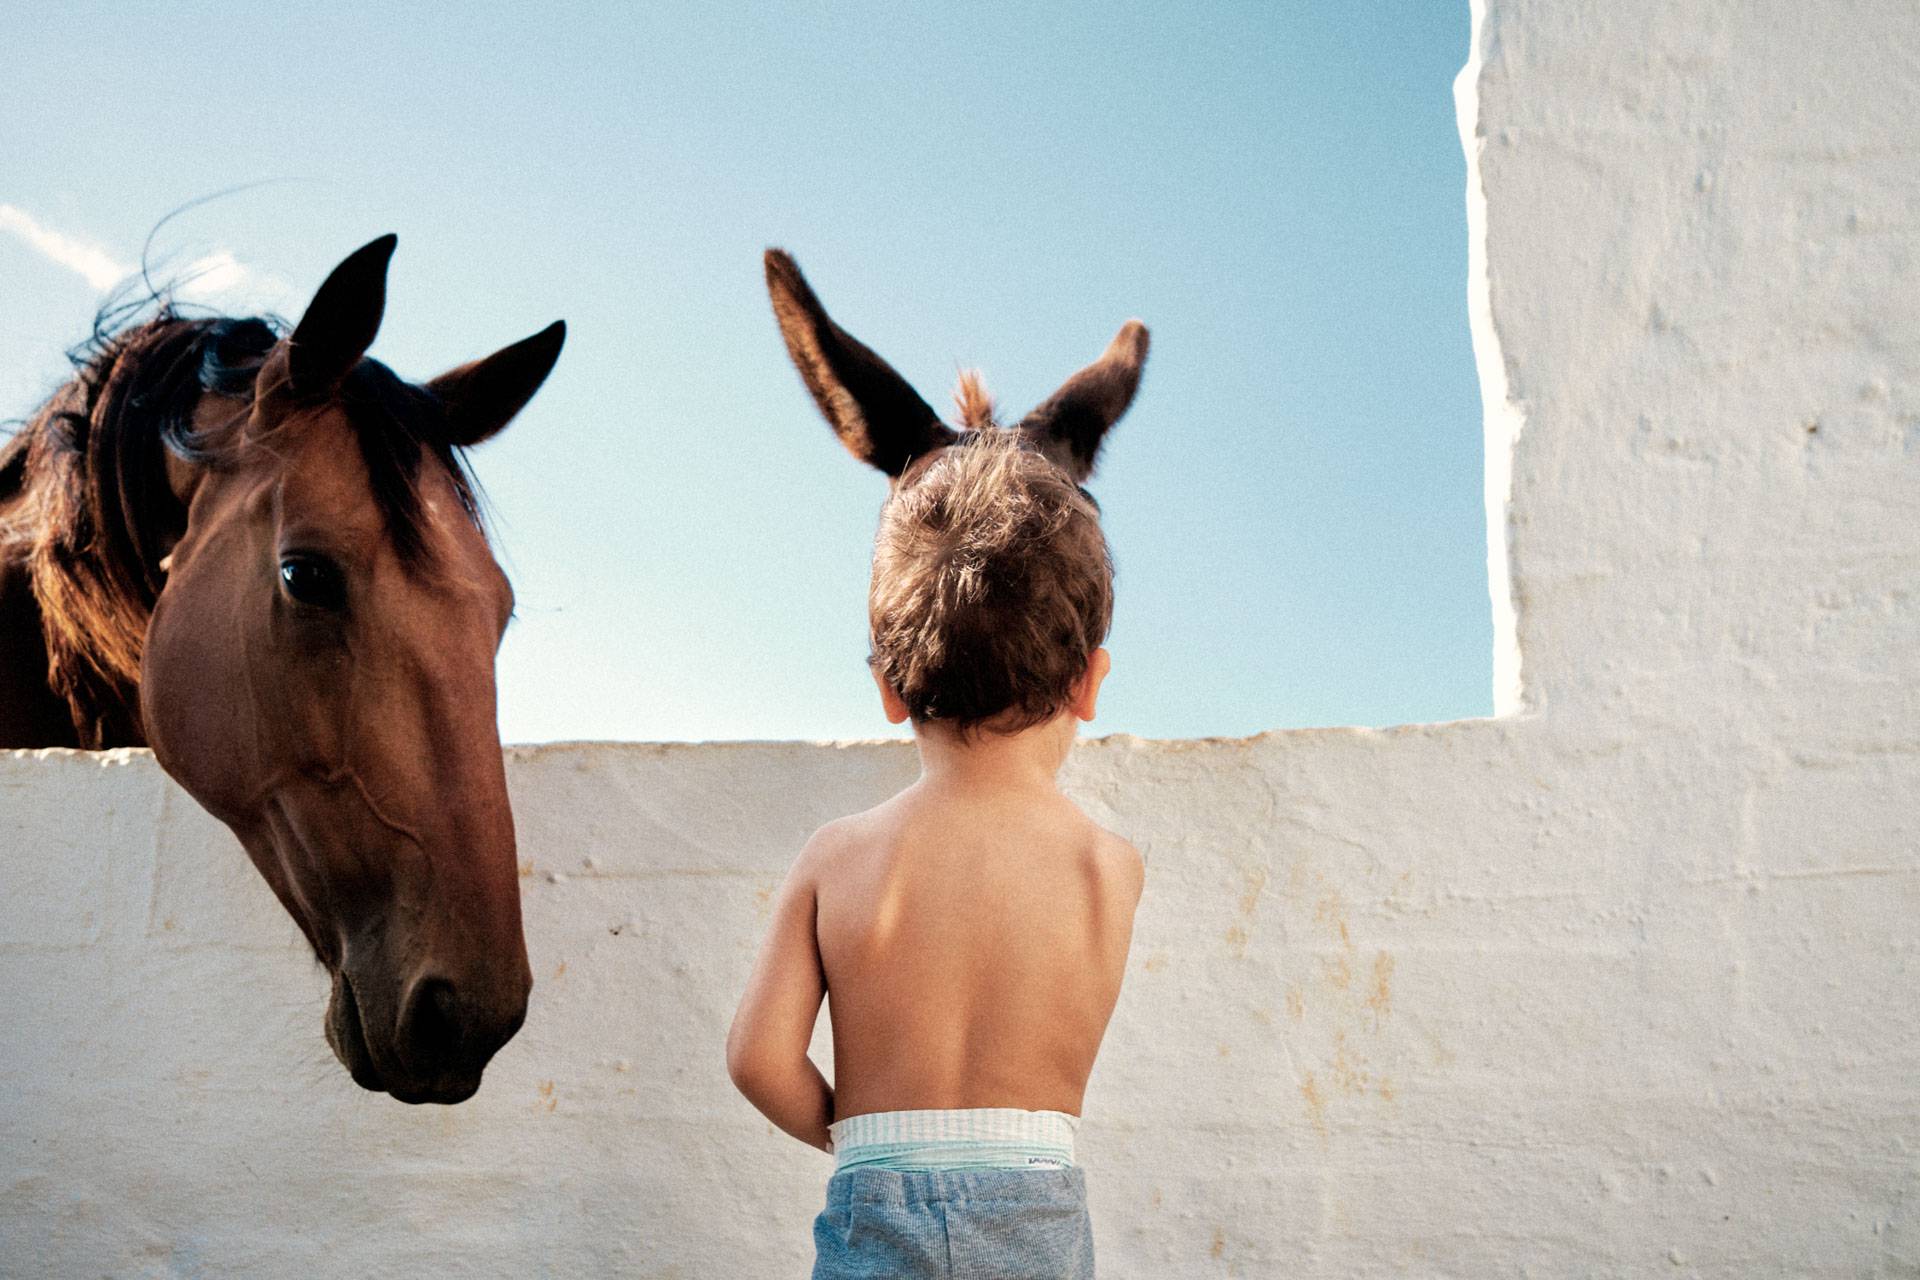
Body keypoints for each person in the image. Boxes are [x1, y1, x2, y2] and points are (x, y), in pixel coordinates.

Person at [727, 425, 1145, 1279]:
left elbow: (758, 1059)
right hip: (1037, 1222)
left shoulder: (837, 859)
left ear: (888, 687)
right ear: (1089, 682)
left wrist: (863, 1138)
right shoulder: (1109, 868)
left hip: (876, 1210)